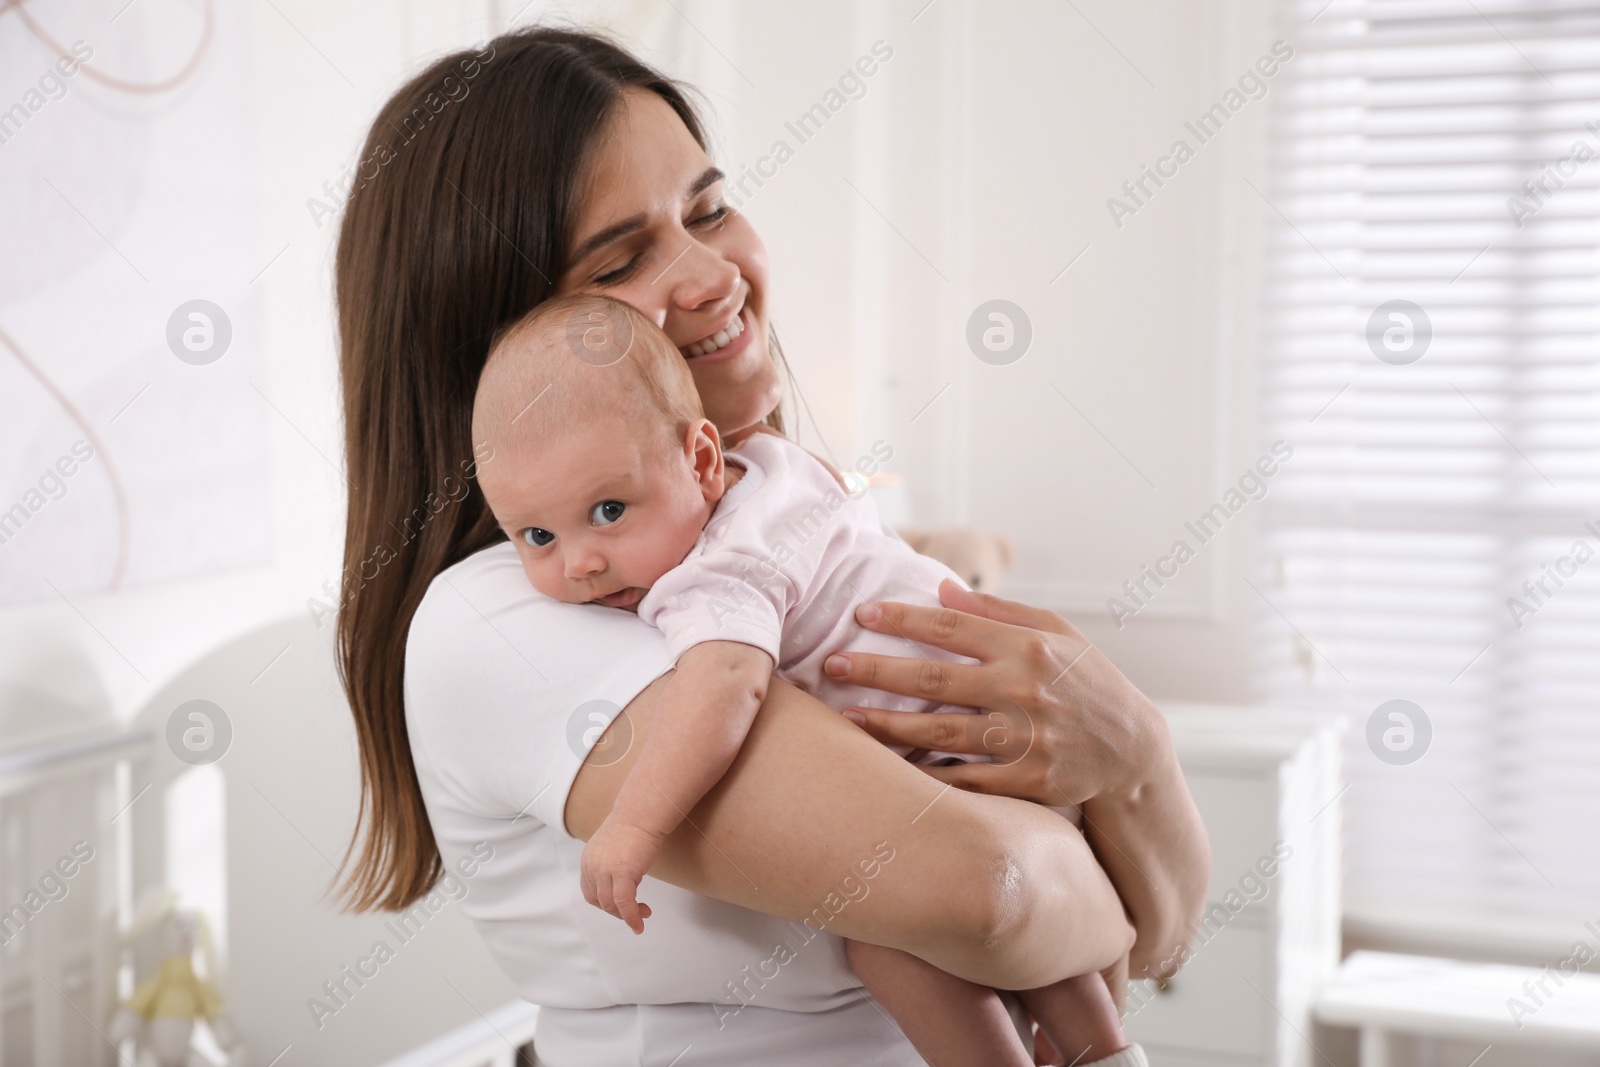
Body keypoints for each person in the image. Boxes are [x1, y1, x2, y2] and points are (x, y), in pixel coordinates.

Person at [333, 25, 1210, 1067]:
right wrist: (1109, 812)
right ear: (502, 347)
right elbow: (990, 891)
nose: (712, 274)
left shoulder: (788, 525)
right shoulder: (508, 620)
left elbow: (1162, 935)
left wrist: (1136, 751)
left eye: (707, 210)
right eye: (621, 259)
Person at [470, 293, 1143, 1067]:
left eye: (610, 508)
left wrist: (635, 827)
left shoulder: (714, 573)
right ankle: (1108, 1051)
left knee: (890, 941)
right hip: (1006, 727)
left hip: (955, 749)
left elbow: (722, 689)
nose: (581, 562)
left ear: (699, 462)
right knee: (1047, 950)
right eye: (537, 534)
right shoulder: (781, 473)